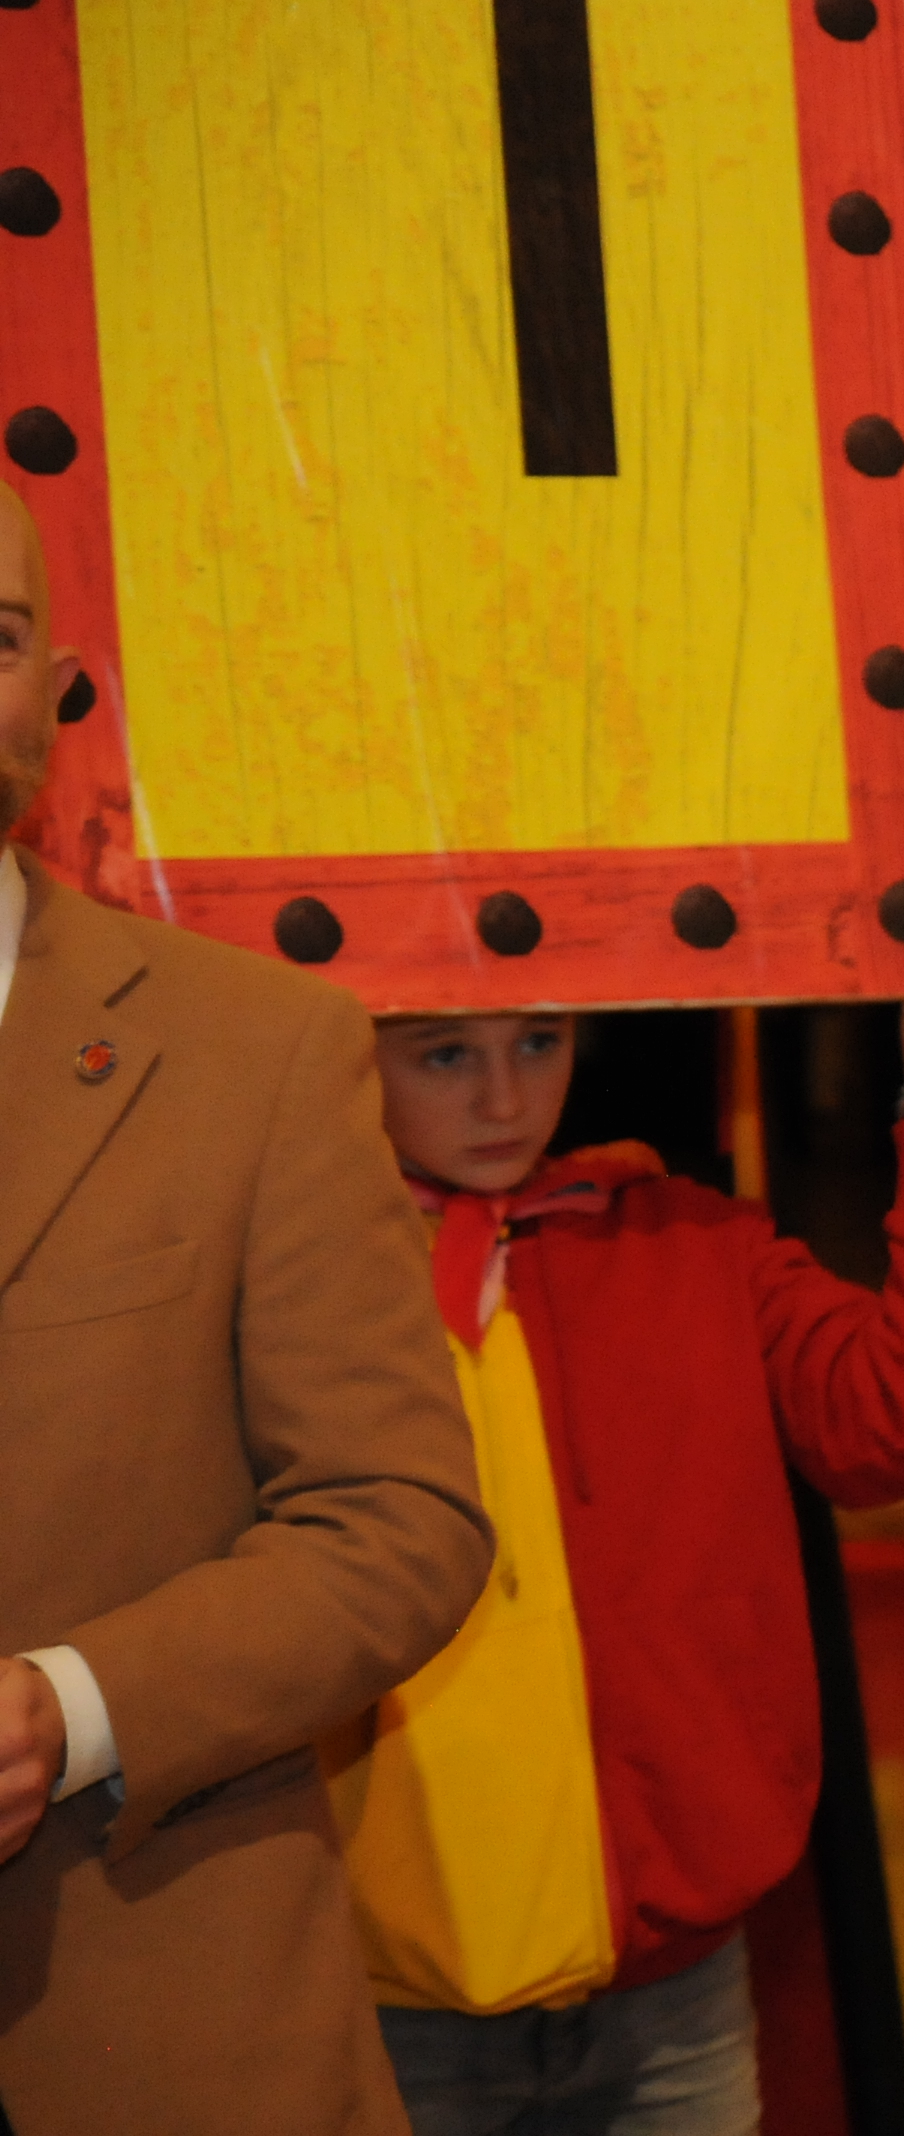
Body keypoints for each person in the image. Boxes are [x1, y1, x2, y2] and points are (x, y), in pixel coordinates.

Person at [330, 880, 904, 2134]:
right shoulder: (306, 1274)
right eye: (444, 1054)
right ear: (352, 1055)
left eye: (539, 1041)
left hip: (678, 1977)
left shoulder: (693, 1238)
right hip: (397, 1993)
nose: (505, 1100)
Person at [0, 483, 491, 2134]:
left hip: (158, 2034)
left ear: (53, 688)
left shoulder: (256, 1051)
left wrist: (71, 1709)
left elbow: (399, 1520)